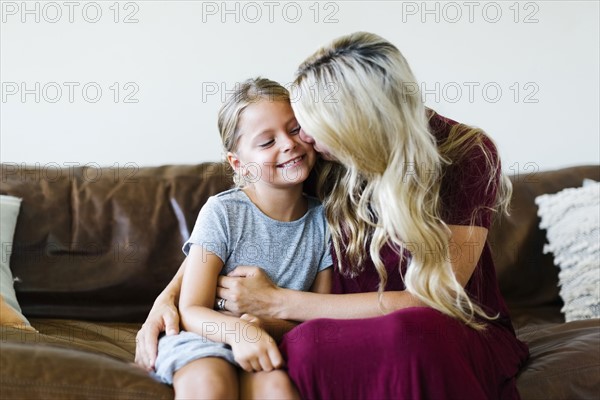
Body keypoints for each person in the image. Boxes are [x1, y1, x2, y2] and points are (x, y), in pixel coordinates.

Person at [137, 32, 529, 399]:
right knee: (306, 346)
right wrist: (168, 300)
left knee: (411, 334)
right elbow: (230, 225)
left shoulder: (465, 153)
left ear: (353, 126)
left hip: (444, 326)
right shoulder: (323, 159)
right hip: (332, 330)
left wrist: (278, 303)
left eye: (305, 124)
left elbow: (436, 297)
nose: (299, 139)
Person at [151, 77, 332, 399]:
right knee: (209, 382)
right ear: (239, 163)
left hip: (267, 339)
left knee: (277, 390)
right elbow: (191, 308)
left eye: (294, 130)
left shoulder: (325, 221)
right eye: (266, 142)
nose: (288, 144)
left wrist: (264, 328)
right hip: (203, 336)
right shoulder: (223, 212)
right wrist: (238, 332)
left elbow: (316, 315)